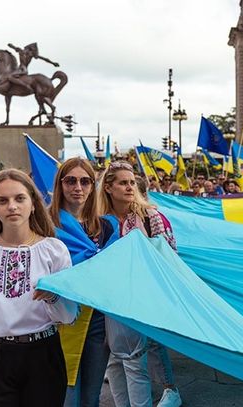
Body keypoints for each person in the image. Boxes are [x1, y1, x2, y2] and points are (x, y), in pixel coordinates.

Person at [0, 169, 78, 407]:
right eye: (3, 200)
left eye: (19, 198)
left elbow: (69, 316)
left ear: (32, 203)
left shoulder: (54, 250)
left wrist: (53, 298)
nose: (12, 206)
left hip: (44, 357)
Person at [99, 162, 180, 407]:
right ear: (109, 188)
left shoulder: (151, 216)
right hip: (112, 297)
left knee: (139, 354)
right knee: (114, 358)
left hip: (145, 293)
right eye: (123, 183)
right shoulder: (100, 221)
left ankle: (170, 389)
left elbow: (170, 255)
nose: (130, 187)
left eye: (132, 182)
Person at [48, 158, 109, 407]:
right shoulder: (46, 225)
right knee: (66, 396)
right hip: (61, 317)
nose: (78, 187)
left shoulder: (105, 226)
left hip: (98, 318)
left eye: (85, 181)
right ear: (60, 184)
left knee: (91, 397)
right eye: (71, 180)